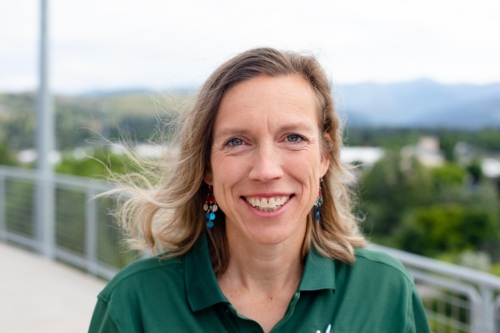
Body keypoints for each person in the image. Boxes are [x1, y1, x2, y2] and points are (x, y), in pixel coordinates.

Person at [88, 47, 430, 333]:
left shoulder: (384, 291)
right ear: (207, 166)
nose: (266, 170)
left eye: (293, 138)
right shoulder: (135, 303)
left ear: (325, 156)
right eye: (237, 142)